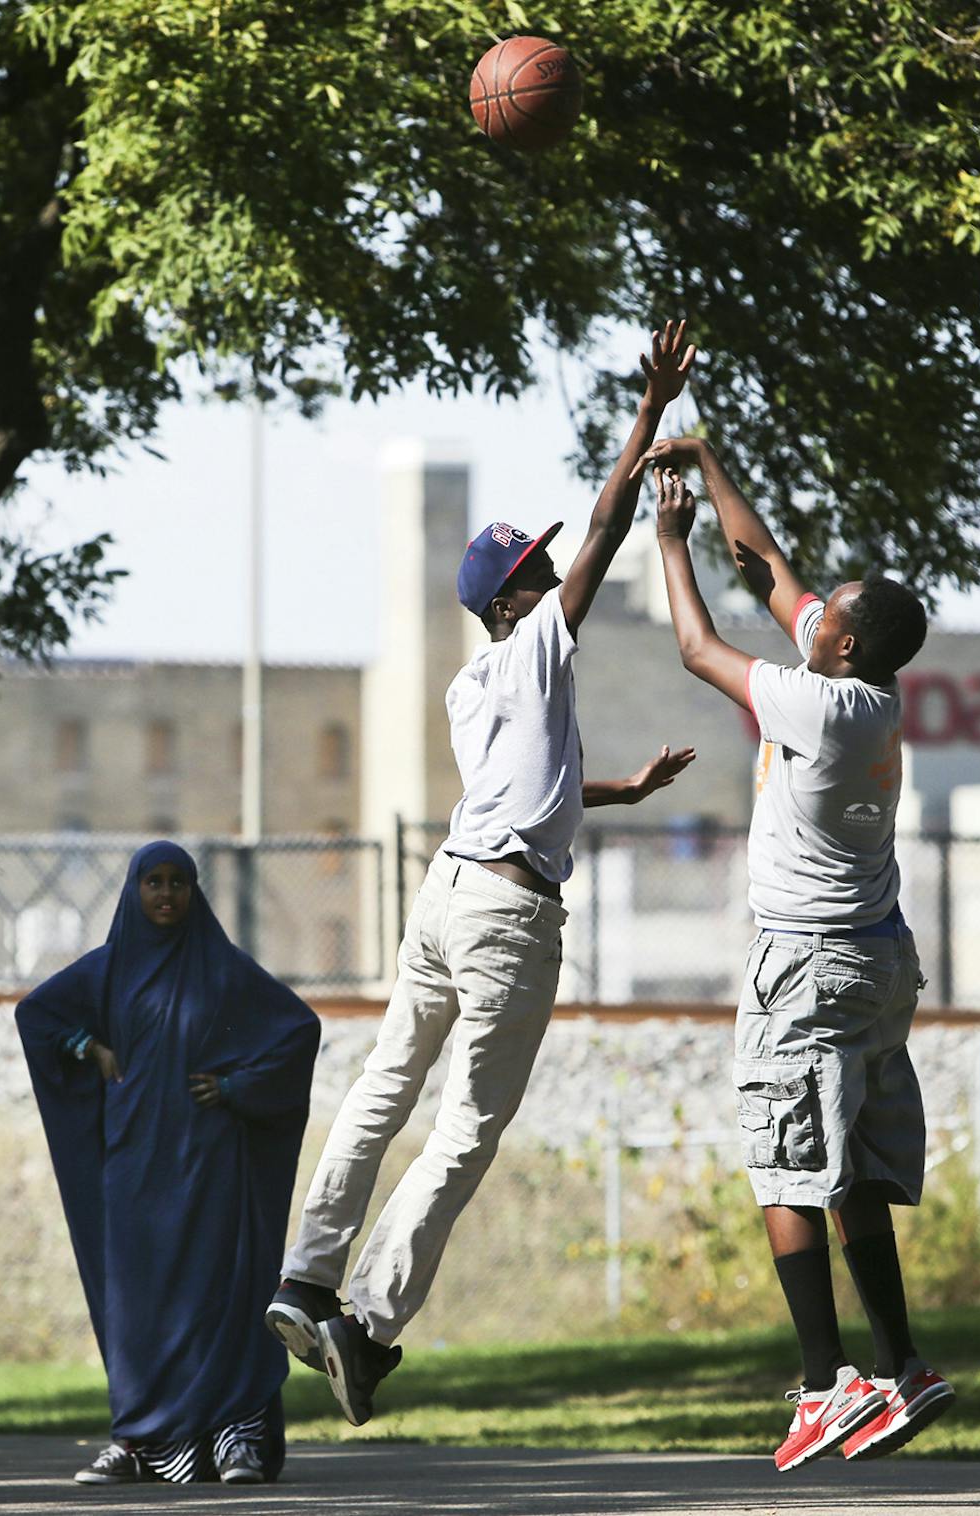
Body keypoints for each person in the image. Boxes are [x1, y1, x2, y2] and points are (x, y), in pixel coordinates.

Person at [266, 322, 701, 1428]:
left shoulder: (474, 686)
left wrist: (617, 794)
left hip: (448, 889)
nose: (558, 576)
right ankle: (363, 1327)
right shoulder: (542, 642)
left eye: (548, 566)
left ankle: (304, 1275)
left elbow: (521, 794)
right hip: (505, 912)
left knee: (385, 1082)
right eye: (537, 573)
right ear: (511, 601)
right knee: (465, 1122)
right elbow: (608, 528)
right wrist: (647, 410)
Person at [637, 431, 944, 1470]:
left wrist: (669, 538)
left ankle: (825, 1386)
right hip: (877, 958)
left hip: (809, 964)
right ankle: (901, 1365)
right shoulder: (867, 687)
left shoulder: (820, 704)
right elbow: (768, 565)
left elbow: (696, 647)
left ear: (846, 647)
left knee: (785, 1161)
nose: (810, 613)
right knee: (847, 1160)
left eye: (830, 614)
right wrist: (714, 460)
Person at [16, 841, 320, 1486]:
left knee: (221, 1295)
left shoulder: (224, 971)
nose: (165, 894)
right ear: (133, 890)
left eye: (178, 882)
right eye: (153, 882)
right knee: (138, 1307)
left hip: (212, 1168)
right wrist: (87, 1046)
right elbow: (36, 1014)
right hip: (132, 1168)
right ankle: (141, 1442)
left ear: (194, 891)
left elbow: (297, 1031)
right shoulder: (106, 972)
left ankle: (237, 1438)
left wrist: (238, 1089)